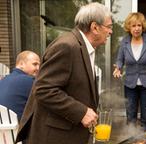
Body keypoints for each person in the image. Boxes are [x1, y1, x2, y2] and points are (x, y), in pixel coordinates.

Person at [16, 2, 112, 144]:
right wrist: (81, 112)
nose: (110, 32)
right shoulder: (67, 46)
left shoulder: (83, 47)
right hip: (55, 136)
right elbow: (43, 89)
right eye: (109, 27)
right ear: (94, 27)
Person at [113, 12, 146, 131]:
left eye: (139, 25)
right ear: (129, 27)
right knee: (130, 116)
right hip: (130, 84)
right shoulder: (125, 41)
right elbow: (120, 59)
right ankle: (131, 139)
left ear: (143, 26)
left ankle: (144, 140)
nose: (137, 28)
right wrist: (118, 67)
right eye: (133, 26)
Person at [0, 51, 40, 120]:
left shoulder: (3, 80)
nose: (38, 68)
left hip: (4, 128)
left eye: (39, 65)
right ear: (21, 64)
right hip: (21, 127)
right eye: (35, 64)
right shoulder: (30, 80)